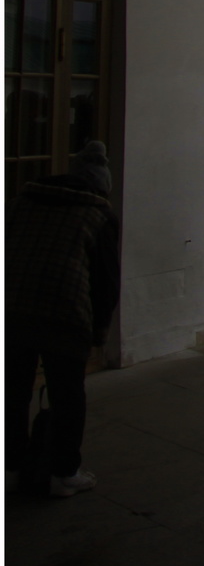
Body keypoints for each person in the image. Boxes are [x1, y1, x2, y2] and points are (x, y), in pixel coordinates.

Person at [6, 142, 120, 498]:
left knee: (11, 391)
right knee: (67, 394)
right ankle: (64, 471)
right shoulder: (99, 214)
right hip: (65, 312)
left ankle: (9, 467)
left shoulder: (24, 201)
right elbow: (105, 282)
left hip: (12, 306)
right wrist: (99, 332)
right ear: (102, 185)